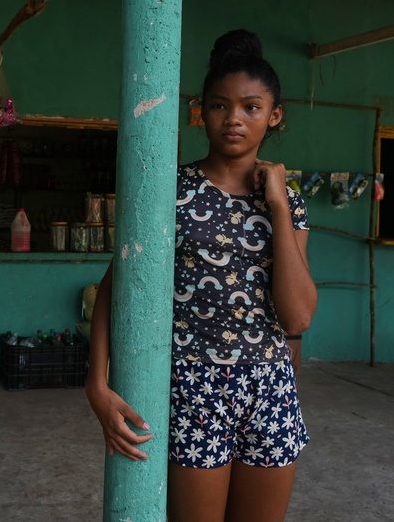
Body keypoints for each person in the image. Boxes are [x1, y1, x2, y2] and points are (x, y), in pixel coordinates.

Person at [86, 29, 318, 522]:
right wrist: (97, 384)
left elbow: (296, 317)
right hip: (195, 387)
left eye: (251, 107)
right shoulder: (169, 191)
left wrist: (277, 204)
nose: (234, 118)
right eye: (220, 105)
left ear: (274, 115)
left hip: (272, 389)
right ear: (201, 111)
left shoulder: (288, 202)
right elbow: (115, 286)